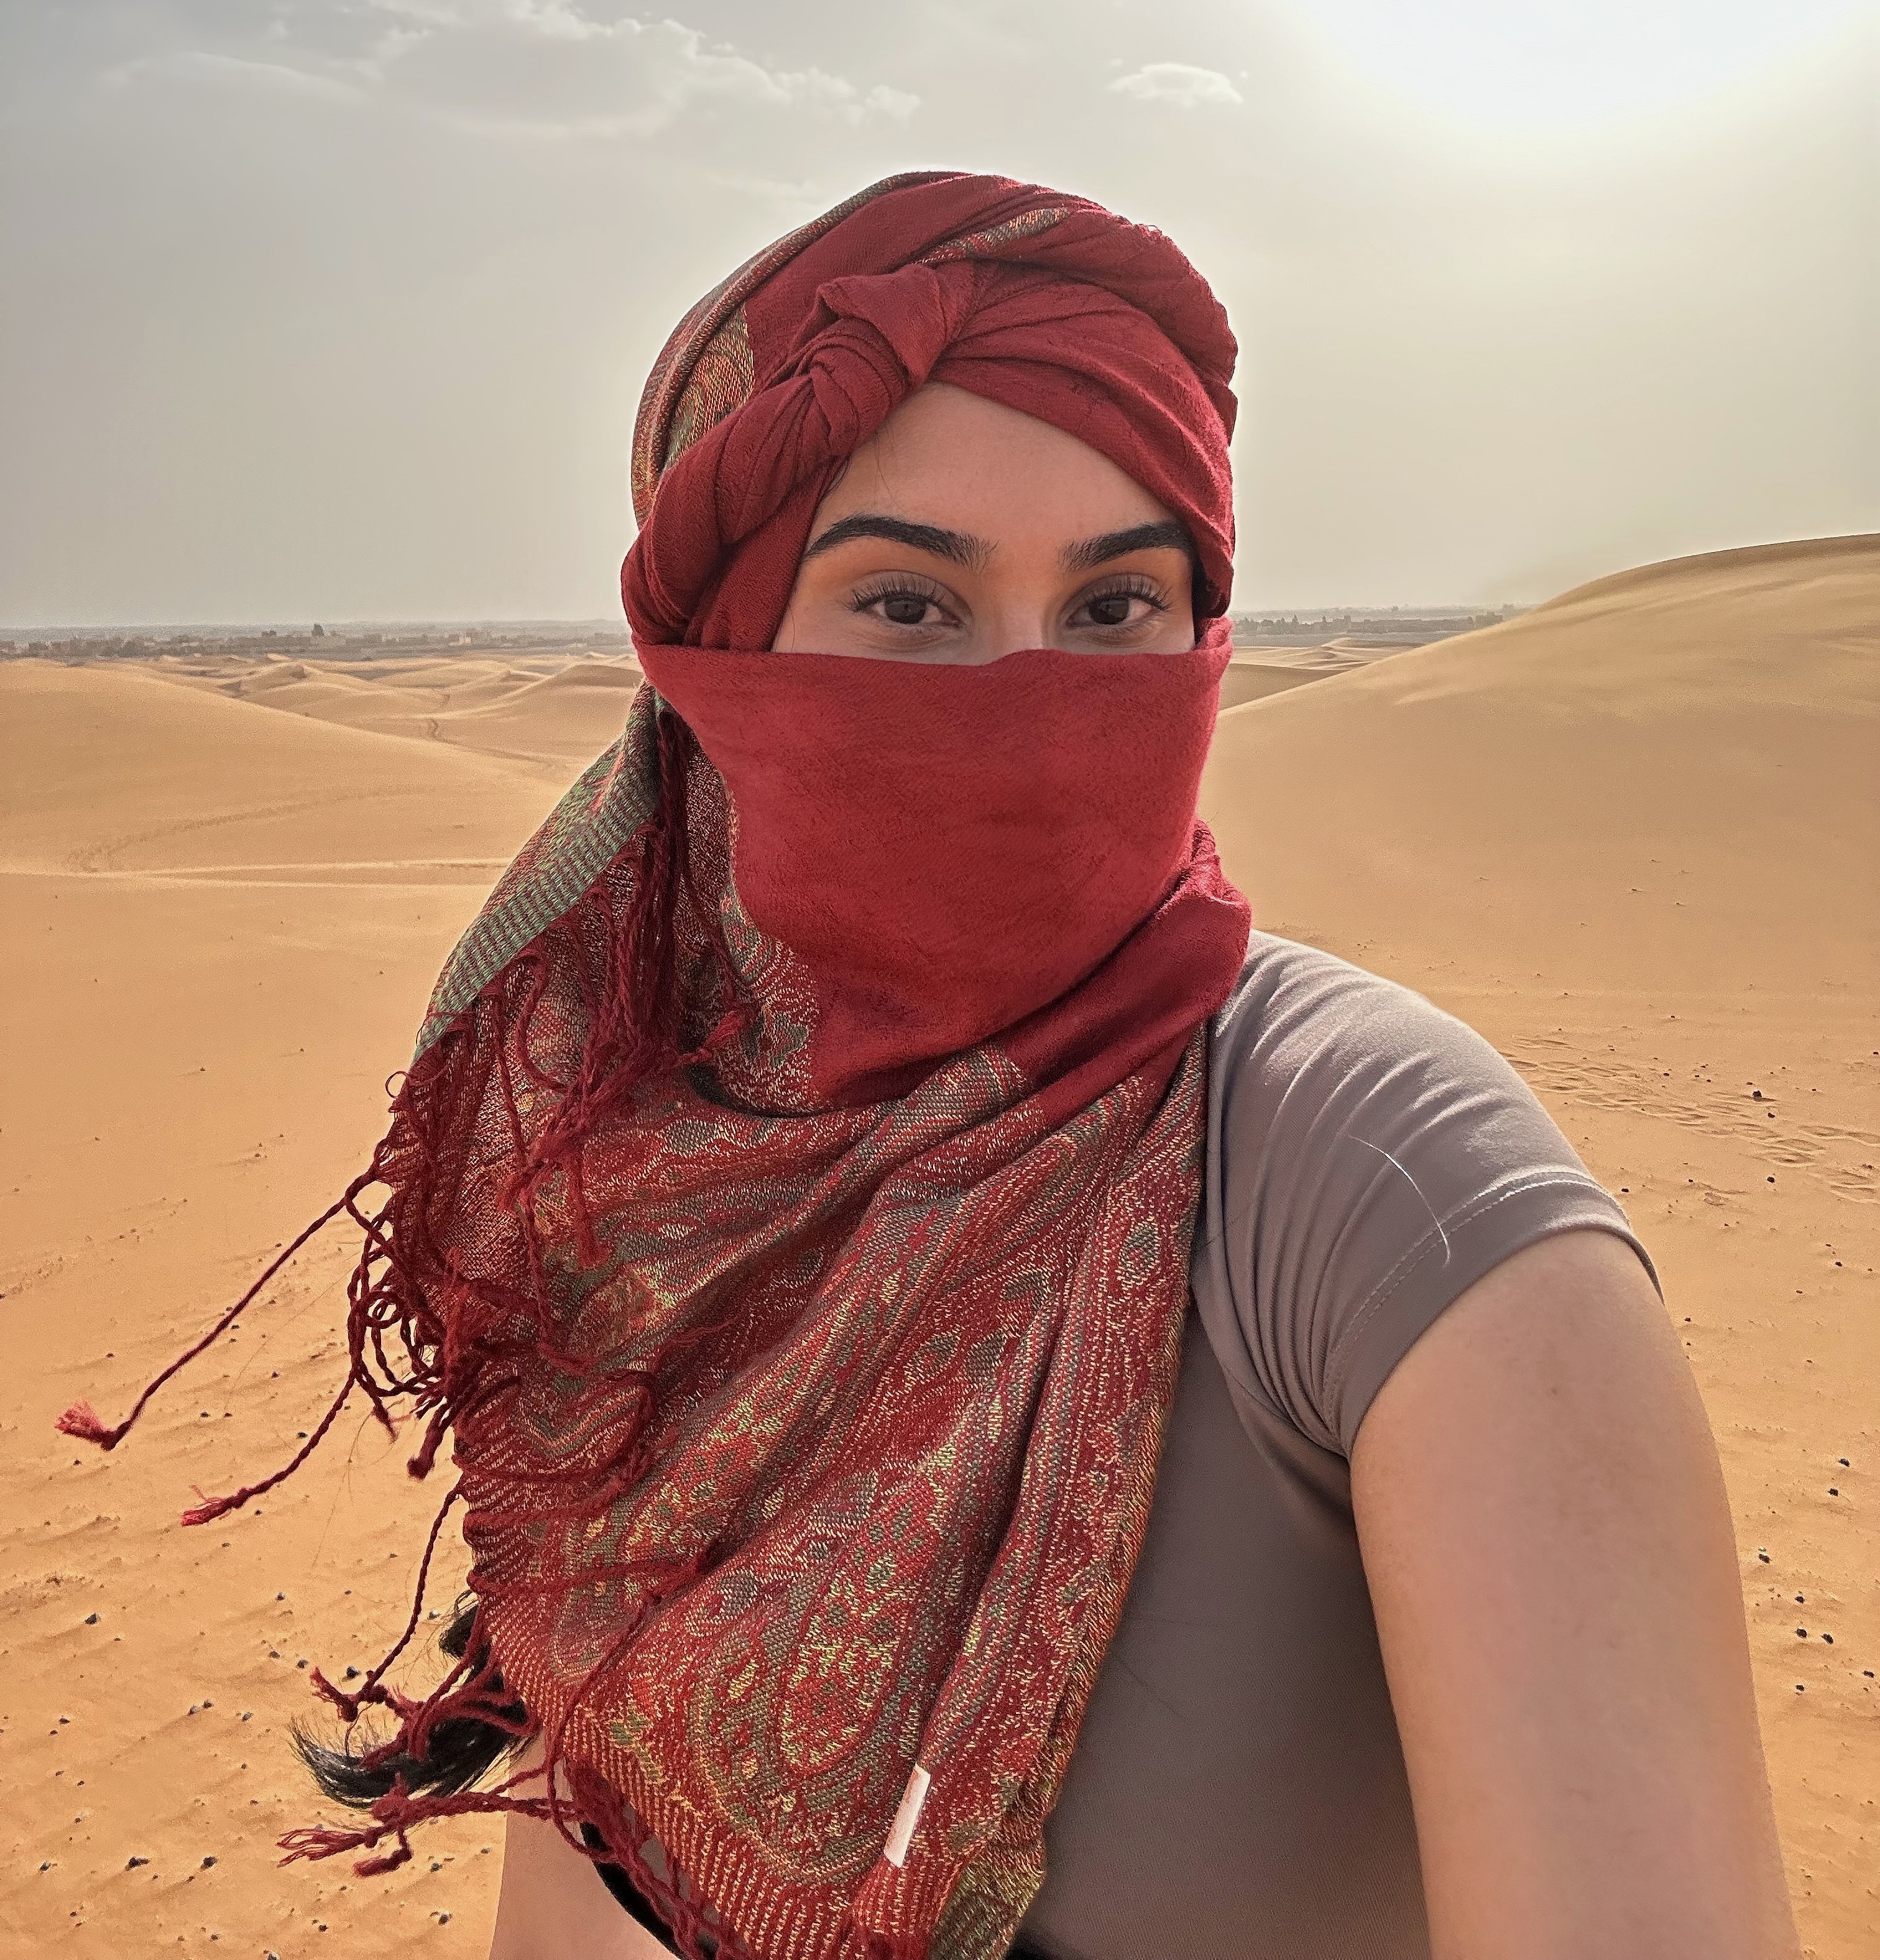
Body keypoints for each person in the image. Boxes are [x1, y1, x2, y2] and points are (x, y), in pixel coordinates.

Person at [65, 173, 1798, 1959]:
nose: (1034, 704)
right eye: (906, 601)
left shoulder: (1384, 1192)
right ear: (719, 652)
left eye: (1118, 606)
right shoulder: (621, 1161)